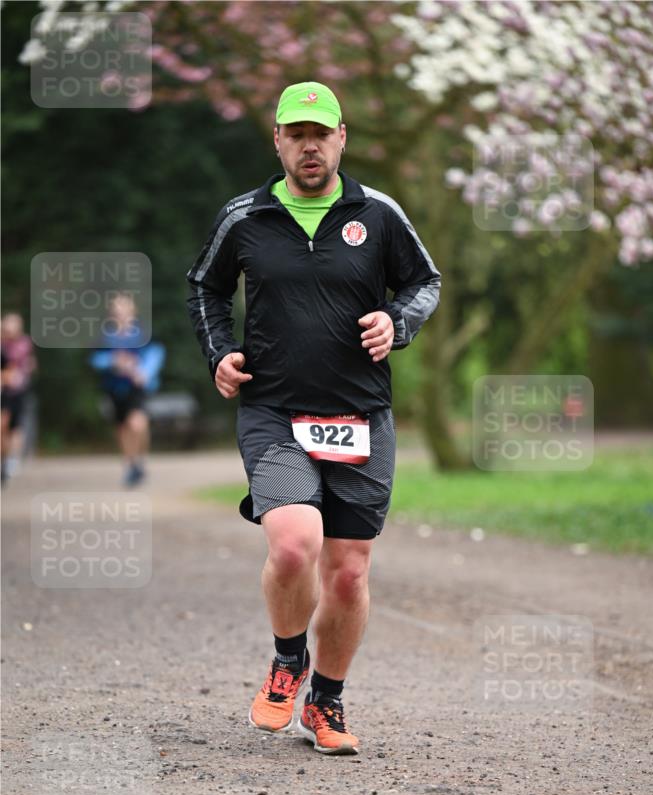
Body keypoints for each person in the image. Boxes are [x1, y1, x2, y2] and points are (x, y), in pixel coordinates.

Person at [187, 81, 440, 754]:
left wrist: (398, 319)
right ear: (276, 140)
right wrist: (218, 352)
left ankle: (325, 703)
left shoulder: (377, 214)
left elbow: (424, 282)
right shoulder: (244, 217)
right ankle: (287, 658)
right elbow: (205, 287)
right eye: (295, 134)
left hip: (360, 413)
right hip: (273, 409)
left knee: (348, 571)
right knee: (295, 543)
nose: (308, 145)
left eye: (319, 133)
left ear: (340, 138)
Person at [90, 293, 165, 487]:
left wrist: (144, 372)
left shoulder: (142, 333)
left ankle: (139, 460)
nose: (120, 312)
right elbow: (95, 360)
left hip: (136, 387)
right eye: (117, 309)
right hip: (114, 388)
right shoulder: (105, 336)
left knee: (137, 424)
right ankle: (130, 465)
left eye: (124, 308)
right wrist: (113, 362)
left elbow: (156, 353)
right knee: (122, 428)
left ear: (132, 310)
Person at [1, 312, 36, 485]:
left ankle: (11, 459)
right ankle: (5, 459)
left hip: (18, 391)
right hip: (4, 391)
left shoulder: (23, 343)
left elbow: (26, 363)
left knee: (15, 427)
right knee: (3, 426)